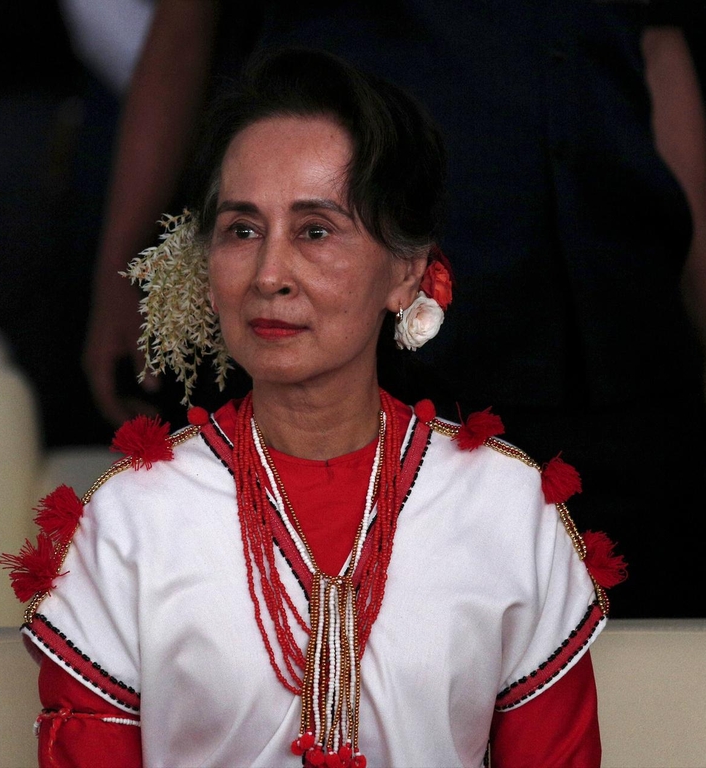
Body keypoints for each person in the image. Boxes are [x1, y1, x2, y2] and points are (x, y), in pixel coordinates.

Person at [2, 48, 624, 767]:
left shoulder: (503, 509)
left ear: (408, 270)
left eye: (315, 230)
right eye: (242, 230)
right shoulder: (132, 522)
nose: (269, 274)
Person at [80, 0, 706, 619]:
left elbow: (656, 40)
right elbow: (183, 30)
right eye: (239, 234)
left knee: (646, 641)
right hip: (377, 326)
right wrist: (119, 278)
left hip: (620, 322)